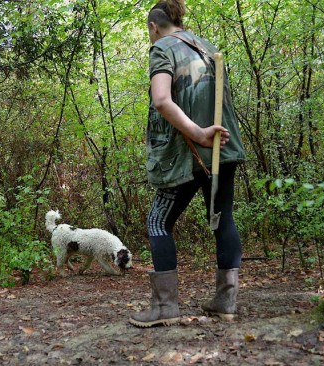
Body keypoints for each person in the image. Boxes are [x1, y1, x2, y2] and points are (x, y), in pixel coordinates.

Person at [129, 0, 246, 327]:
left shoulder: (163, 49)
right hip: (225, 147)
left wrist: (197, 134)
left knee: (157, 222)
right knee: (223, 219)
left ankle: (165, 308)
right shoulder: (207, 48)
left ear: (154, 26)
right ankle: (226, 302)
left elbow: (162, 100)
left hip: (189, 152)